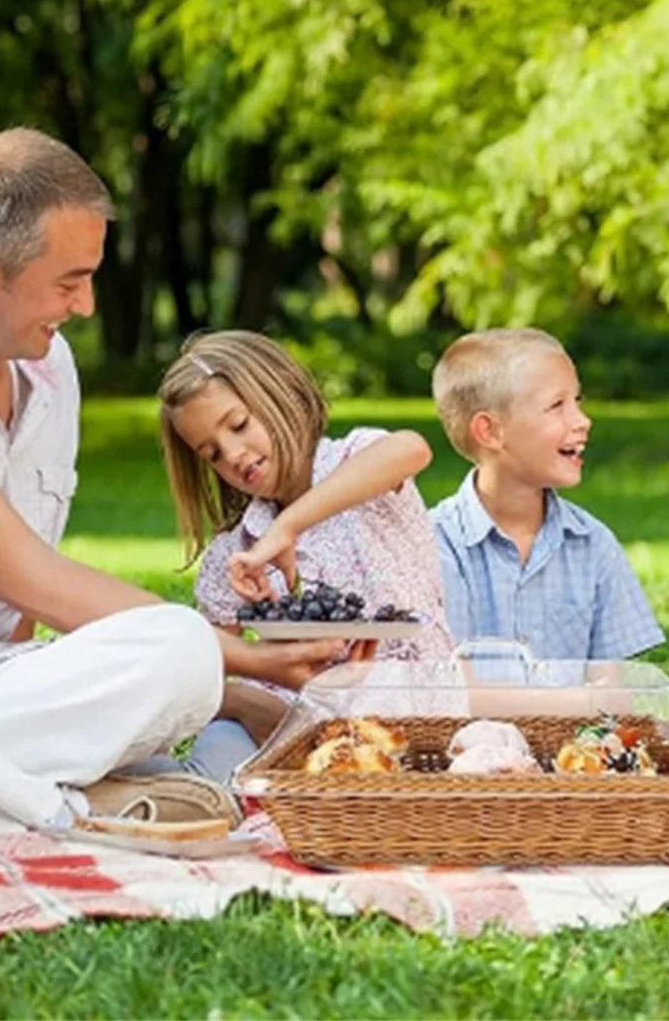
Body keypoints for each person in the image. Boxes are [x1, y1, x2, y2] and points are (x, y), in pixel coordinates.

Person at [0, 128, 343, 838]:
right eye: (69, 282)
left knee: (171, 651)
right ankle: (56, 801)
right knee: (190, 648)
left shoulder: (47, 366)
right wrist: (250, 666)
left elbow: (17, 612)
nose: (88, 306)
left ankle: (1, 785)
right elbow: (31, 576)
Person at [136, 330, 455, 783]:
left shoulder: (358, 465)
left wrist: (288, 527)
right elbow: (203, 674)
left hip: (412, 721)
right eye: (212, 454)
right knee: (209, 771)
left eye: (240, 424)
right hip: (281, 732)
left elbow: (410, 449)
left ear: (281, 391)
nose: (234, 455)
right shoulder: (235, 554)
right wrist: (249, 703)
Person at [430, 328, 664, 661]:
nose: (583, 420)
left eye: (577, 401)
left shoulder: (594, 544)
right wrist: (576, 701)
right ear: (490, 431)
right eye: (557, 405)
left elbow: (614, 693)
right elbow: (450, 694)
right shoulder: (434, 545)